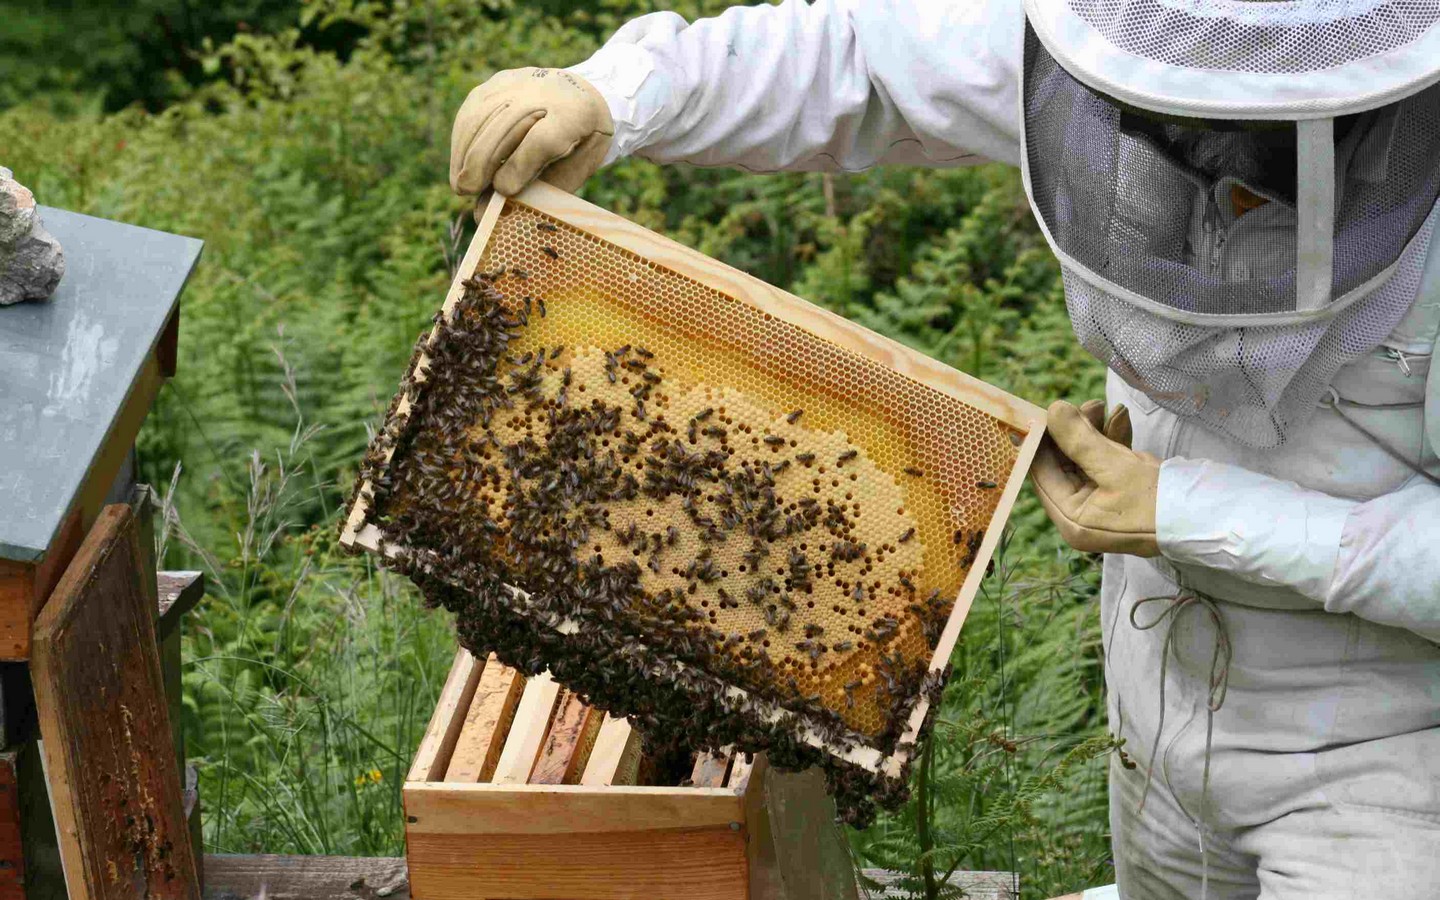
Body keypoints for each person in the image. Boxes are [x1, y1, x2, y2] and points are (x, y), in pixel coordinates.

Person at [447, 3, 1440, 898]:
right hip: (1156, 718)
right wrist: (612, 93)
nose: (1205, 146)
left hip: (1386, 775)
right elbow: (862, 63)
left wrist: (1186, 514)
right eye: (1181, 106)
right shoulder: (1132, 43)